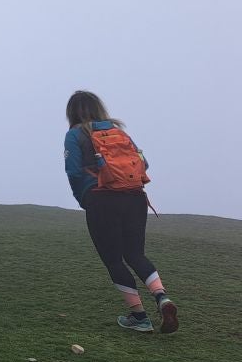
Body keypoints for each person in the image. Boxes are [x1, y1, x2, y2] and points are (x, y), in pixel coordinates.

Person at [64, 90, 178, 334]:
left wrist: (84, 197)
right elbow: (143, 163)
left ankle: (140, 317)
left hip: (101, 200)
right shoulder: (119, 132)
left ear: (71, 112)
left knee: (114, 260)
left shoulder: (75, 134)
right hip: (135, 197)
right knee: (136, 254)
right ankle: (162, 298)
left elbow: (73, 171)